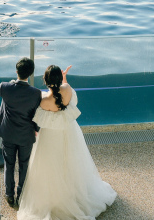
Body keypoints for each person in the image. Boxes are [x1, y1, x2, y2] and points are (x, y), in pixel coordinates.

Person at [17, 64, 117, 219]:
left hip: (50, 136)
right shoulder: (68, 89)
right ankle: (74, 193)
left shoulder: (43, 100)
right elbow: (70, 99)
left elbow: (37, 119)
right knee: (72, 161)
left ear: (45, 80)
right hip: (69, 131)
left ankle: (55, 197)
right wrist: (64, 78)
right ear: (59, 79)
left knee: (50, 165)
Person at [0, 54, 42, 209]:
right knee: (24, 165)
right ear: (31, 73)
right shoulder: (36, 93)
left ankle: (9, 195)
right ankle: (21, 193)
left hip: (8, 134)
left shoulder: (6, 87)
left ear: (17, 72)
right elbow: (37, 115)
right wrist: (36, 129)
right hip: (26, 136)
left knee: (9, 164)